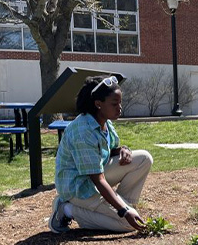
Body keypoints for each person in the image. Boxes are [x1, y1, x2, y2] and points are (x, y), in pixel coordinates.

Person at [49, 75, 153, 233]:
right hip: (78, 187)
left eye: (120, 102)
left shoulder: (104, 121)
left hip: (94, 176)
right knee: (126, 224)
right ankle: (68, 209)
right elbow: (97, 179)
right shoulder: (83, 131)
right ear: (98, 104)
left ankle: (124, 207)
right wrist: (123, 211)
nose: (120, 108)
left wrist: (122, 149)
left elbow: (105, 151)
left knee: (144, 158)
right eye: (114, 103)